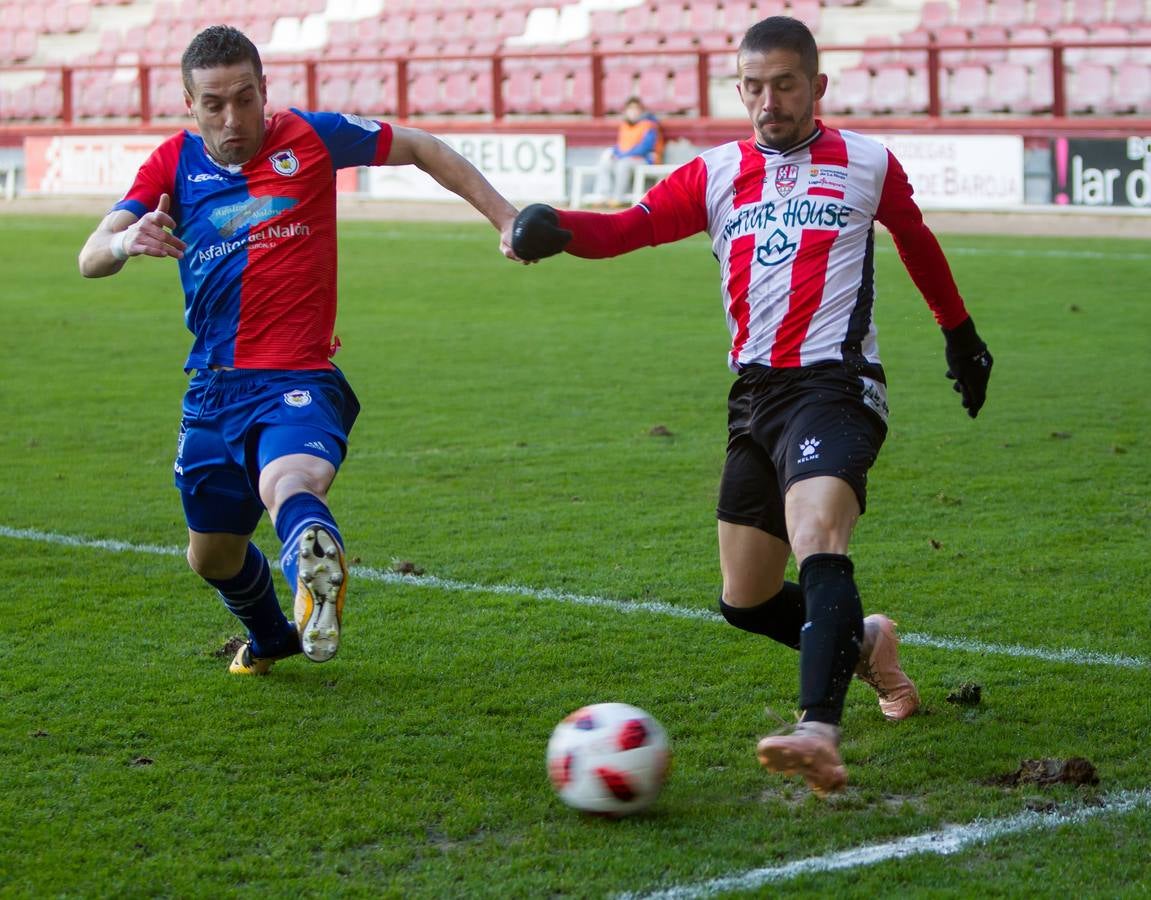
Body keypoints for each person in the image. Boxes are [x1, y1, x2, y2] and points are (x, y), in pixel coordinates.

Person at [510, 16, 993, 795]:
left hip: (836, 386)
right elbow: (627, 229)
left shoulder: (866, 162)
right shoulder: (715, 173)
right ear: (739, 89)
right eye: (754, 87)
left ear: (817, 86)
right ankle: (867, 644)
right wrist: (556, 231)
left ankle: (817, 728)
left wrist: (959, 335)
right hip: (755, 396)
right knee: (747, 599)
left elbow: (916, 240)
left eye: (785, 84)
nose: (769, 101)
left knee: (817, 533)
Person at [78, 25, 524, 676]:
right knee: (211, 557)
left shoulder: (311, 137)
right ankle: (270, 638)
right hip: (211, 389)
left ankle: (316, 556)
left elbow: (421, 147)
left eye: (246, 98)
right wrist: (125, 240)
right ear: (188, 103)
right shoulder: (170, 165)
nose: (233, 119)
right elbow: (89, 258)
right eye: (214, 104)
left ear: (265, 90)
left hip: (297, 376)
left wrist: (506, 217)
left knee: (288, 480)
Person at [589, 96, 664, 208]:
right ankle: (603, 196)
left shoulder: (649, 125)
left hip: (646, 159)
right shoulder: (625, 125)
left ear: (641, 110)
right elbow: (621, 144)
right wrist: (615, 153)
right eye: (630, 109)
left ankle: (618, 198)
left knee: (623, 164)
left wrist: (623, 155)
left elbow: (645, 147)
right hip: (625, 158)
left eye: (636, 109)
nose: (633, 112)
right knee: (606, 163)